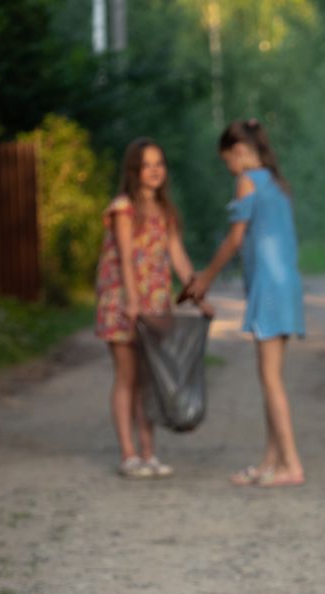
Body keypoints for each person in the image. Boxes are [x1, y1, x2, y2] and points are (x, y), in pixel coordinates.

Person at [187, 119, 305, 488]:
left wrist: (205, 278)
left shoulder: (247, 180)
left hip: (268, 289)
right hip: (286, 286)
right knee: (272, 377)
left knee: (270, 380)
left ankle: (291, 465)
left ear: (238, 152)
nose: (229, 169)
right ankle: (271, 461)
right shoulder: (276, 182)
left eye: (227, 161)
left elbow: (234, 240)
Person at [95, 137, 211, 479]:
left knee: (149, 381)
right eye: (147, 165)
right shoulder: (123, 208)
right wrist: (132, 301)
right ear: (134, 170)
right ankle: (129, 454)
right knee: (127, 378)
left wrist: (198, 296)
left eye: (159, 164)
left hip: (155, 305)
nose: (155, 170)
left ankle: (149, 453)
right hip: (123, 302)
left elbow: (178, 258)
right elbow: (126, 257)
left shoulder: (166, 212)